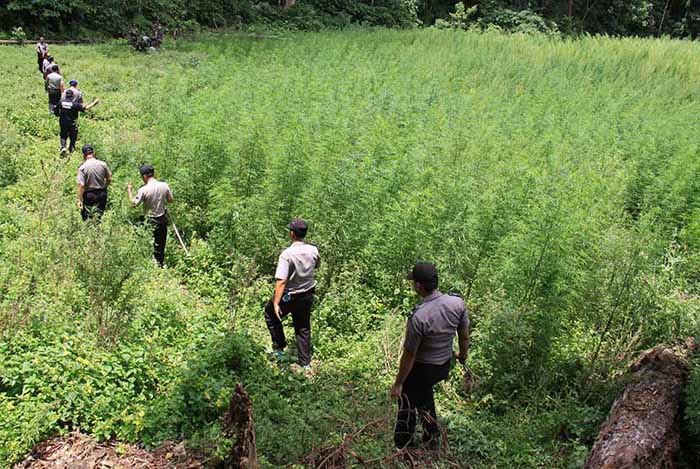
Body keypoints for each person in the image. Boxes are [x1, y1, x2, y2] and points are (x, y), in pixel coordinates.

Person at [391, 262, 470, 450]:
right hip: (443, 366)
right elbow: (464, 334)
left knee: (407, 399)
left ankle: (404, 445)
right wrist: (462, 356)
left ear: (418, 285)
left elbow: (409, 355)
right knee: (424, 393)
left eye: (413, 282)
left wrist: (398, 384)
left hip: (424, 368)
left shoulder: (419, 317)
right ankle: (431, 436)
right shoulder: (457, 303)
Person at [264, 219, 320, 371]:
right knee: (303, 327)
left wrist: (276, 302)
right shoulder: (313, 250)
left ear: (292, 234)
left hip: (290, 295)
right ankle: (305, 363)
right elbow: (317, 266)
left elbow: (281, 281)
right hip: (307, 293)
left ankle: (279, 349)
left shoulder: (287, 254)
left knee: (271, 314)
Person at [127, 165, 174, 267]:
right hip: (162, 219)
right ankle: (160, 264)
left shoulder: (144, 189)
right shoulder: (164, 185)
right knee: (160, 245)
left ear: (144, 176)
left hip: (149, 220)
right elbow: (171, 200)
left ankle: (149, 264)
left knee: (148, 243)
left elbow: (133, 204)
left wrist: (129, 190)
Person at [76, 145, 112, 221]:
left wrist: (79, 199)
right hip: (102, 194)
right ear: (93, 153)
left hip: (89, 195)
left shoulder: (82, 168)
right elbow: (109, 178)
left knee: (87, 218)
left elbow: (81, 185)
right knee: (99, 217)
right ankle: (98, 231)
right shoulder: (103, 164)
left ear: (84, 155)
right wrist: (105, 187)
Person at [56, 89, 96, 154]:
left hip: (63, 122)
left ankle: (63, 147)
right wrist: (94, 103)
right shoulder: (75, 104)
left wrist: (59, 115)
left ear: (66, 95)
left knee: (63, 135)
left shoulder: (61, 102)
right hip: (72, 123)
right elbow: (86, 108)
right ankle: (71, 148)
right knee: (73, 135)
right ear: (73, 96)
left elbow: (56, 110)